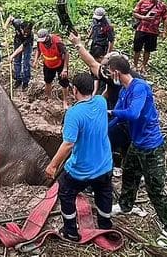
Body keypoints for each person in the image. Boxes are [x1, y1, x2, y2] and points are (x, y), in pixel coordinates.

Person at [107, 55, 167, 243]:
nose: (109, 76)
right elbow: (118, 117)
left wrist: (112, 112)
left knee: (155, 188)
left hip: (151, 146)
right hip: (136, 143)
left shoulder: (140, 87)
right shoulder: (123, 91)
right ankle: (125, 206)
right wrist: (103, 131)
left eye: (109, 72)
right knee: (129, 175)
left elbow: (132, 114)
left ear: (116, 72)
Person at [44, 73, 114, 241]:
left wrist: (53, 166)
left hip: (81, 170)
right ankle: (105, 225)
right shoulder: (101, 102)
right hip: (105, 165)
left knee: (66, 193)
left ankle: (70, 231)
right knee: (104, 192)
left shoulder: (74, 114)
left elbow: (68, 144)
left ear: (74, 90)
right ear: (93, 88)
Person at [68, 32, 142, 172]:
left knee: (104, 140)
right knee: (125, 145)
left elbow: (91, 63)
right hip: (127, 119)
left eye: (107, 66)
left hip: (123, 119)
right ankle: (125, 168)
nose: (105, 68)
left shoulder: (114, 76)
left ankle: (103, 170)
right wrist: (97, 102)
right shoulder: (134, 78)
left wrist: (78, 44)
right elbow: (107, 92)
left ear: (114, 70)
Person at [132, 0, 167, 73]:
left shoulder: (162, 6)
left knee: (148, 50)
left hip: (153, 31)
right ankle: (135, 65)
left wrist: (164, 31)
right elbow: (134, 13)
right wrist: (143, 17)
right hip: (141, 29)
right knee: (137, 49)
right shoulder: (143, 2)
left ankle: (144, 65)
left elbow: (165, 18)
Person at [33, 28, 70, 108]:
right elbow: (38, 50)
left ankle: (65, 101)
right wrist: (35, 60)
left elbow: (66, 53)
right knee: (47, 81)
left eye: (44, 39)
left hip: (60, 63)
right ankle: (49, 98)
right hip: (48, 64)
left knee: (64, 83)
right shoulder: (40, 42)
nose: (42, 42)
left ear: (48, 36)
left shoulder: (57, 42)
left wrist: (65, 69)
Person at [6, 16, 34, 91]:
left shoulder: (30, 36)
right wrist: (5, 26)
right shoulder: (17, 23)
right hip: (17, 41)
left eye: (27, 32)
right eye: (24, 32)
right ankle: (18, 79)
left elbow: (22, 47)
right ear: (20, 28)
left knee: (26, 63)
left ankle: (25, 82)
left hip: (26, 45)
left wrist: (12, 55)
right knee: (17, 61)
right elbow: (10, 18)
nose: (25, 34)